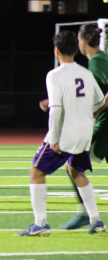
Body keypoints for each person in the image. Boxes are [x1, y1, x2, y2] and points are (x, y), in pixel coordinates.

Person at [18, 31, 106, 236]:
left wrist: (55, 138)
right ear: (76, 49)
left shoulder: (54, 75)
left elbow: (56, 109)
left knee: (36, 172)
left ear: (56, 50)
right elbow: (101, 102)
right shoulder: (86, 73)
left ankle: (40, 224)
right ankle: (96, 221)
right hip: (85, 132)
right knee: (76, 171)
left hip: (65, 133)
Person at [40, 24, 108, 230]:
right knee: (74, 164)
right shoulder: (98, 60)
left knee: (73, 164)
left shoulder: (97, 61)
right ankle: (90, 216)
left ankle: (85, 213)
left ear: (83, 42)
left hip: (103, 124)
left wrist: (93, 113)